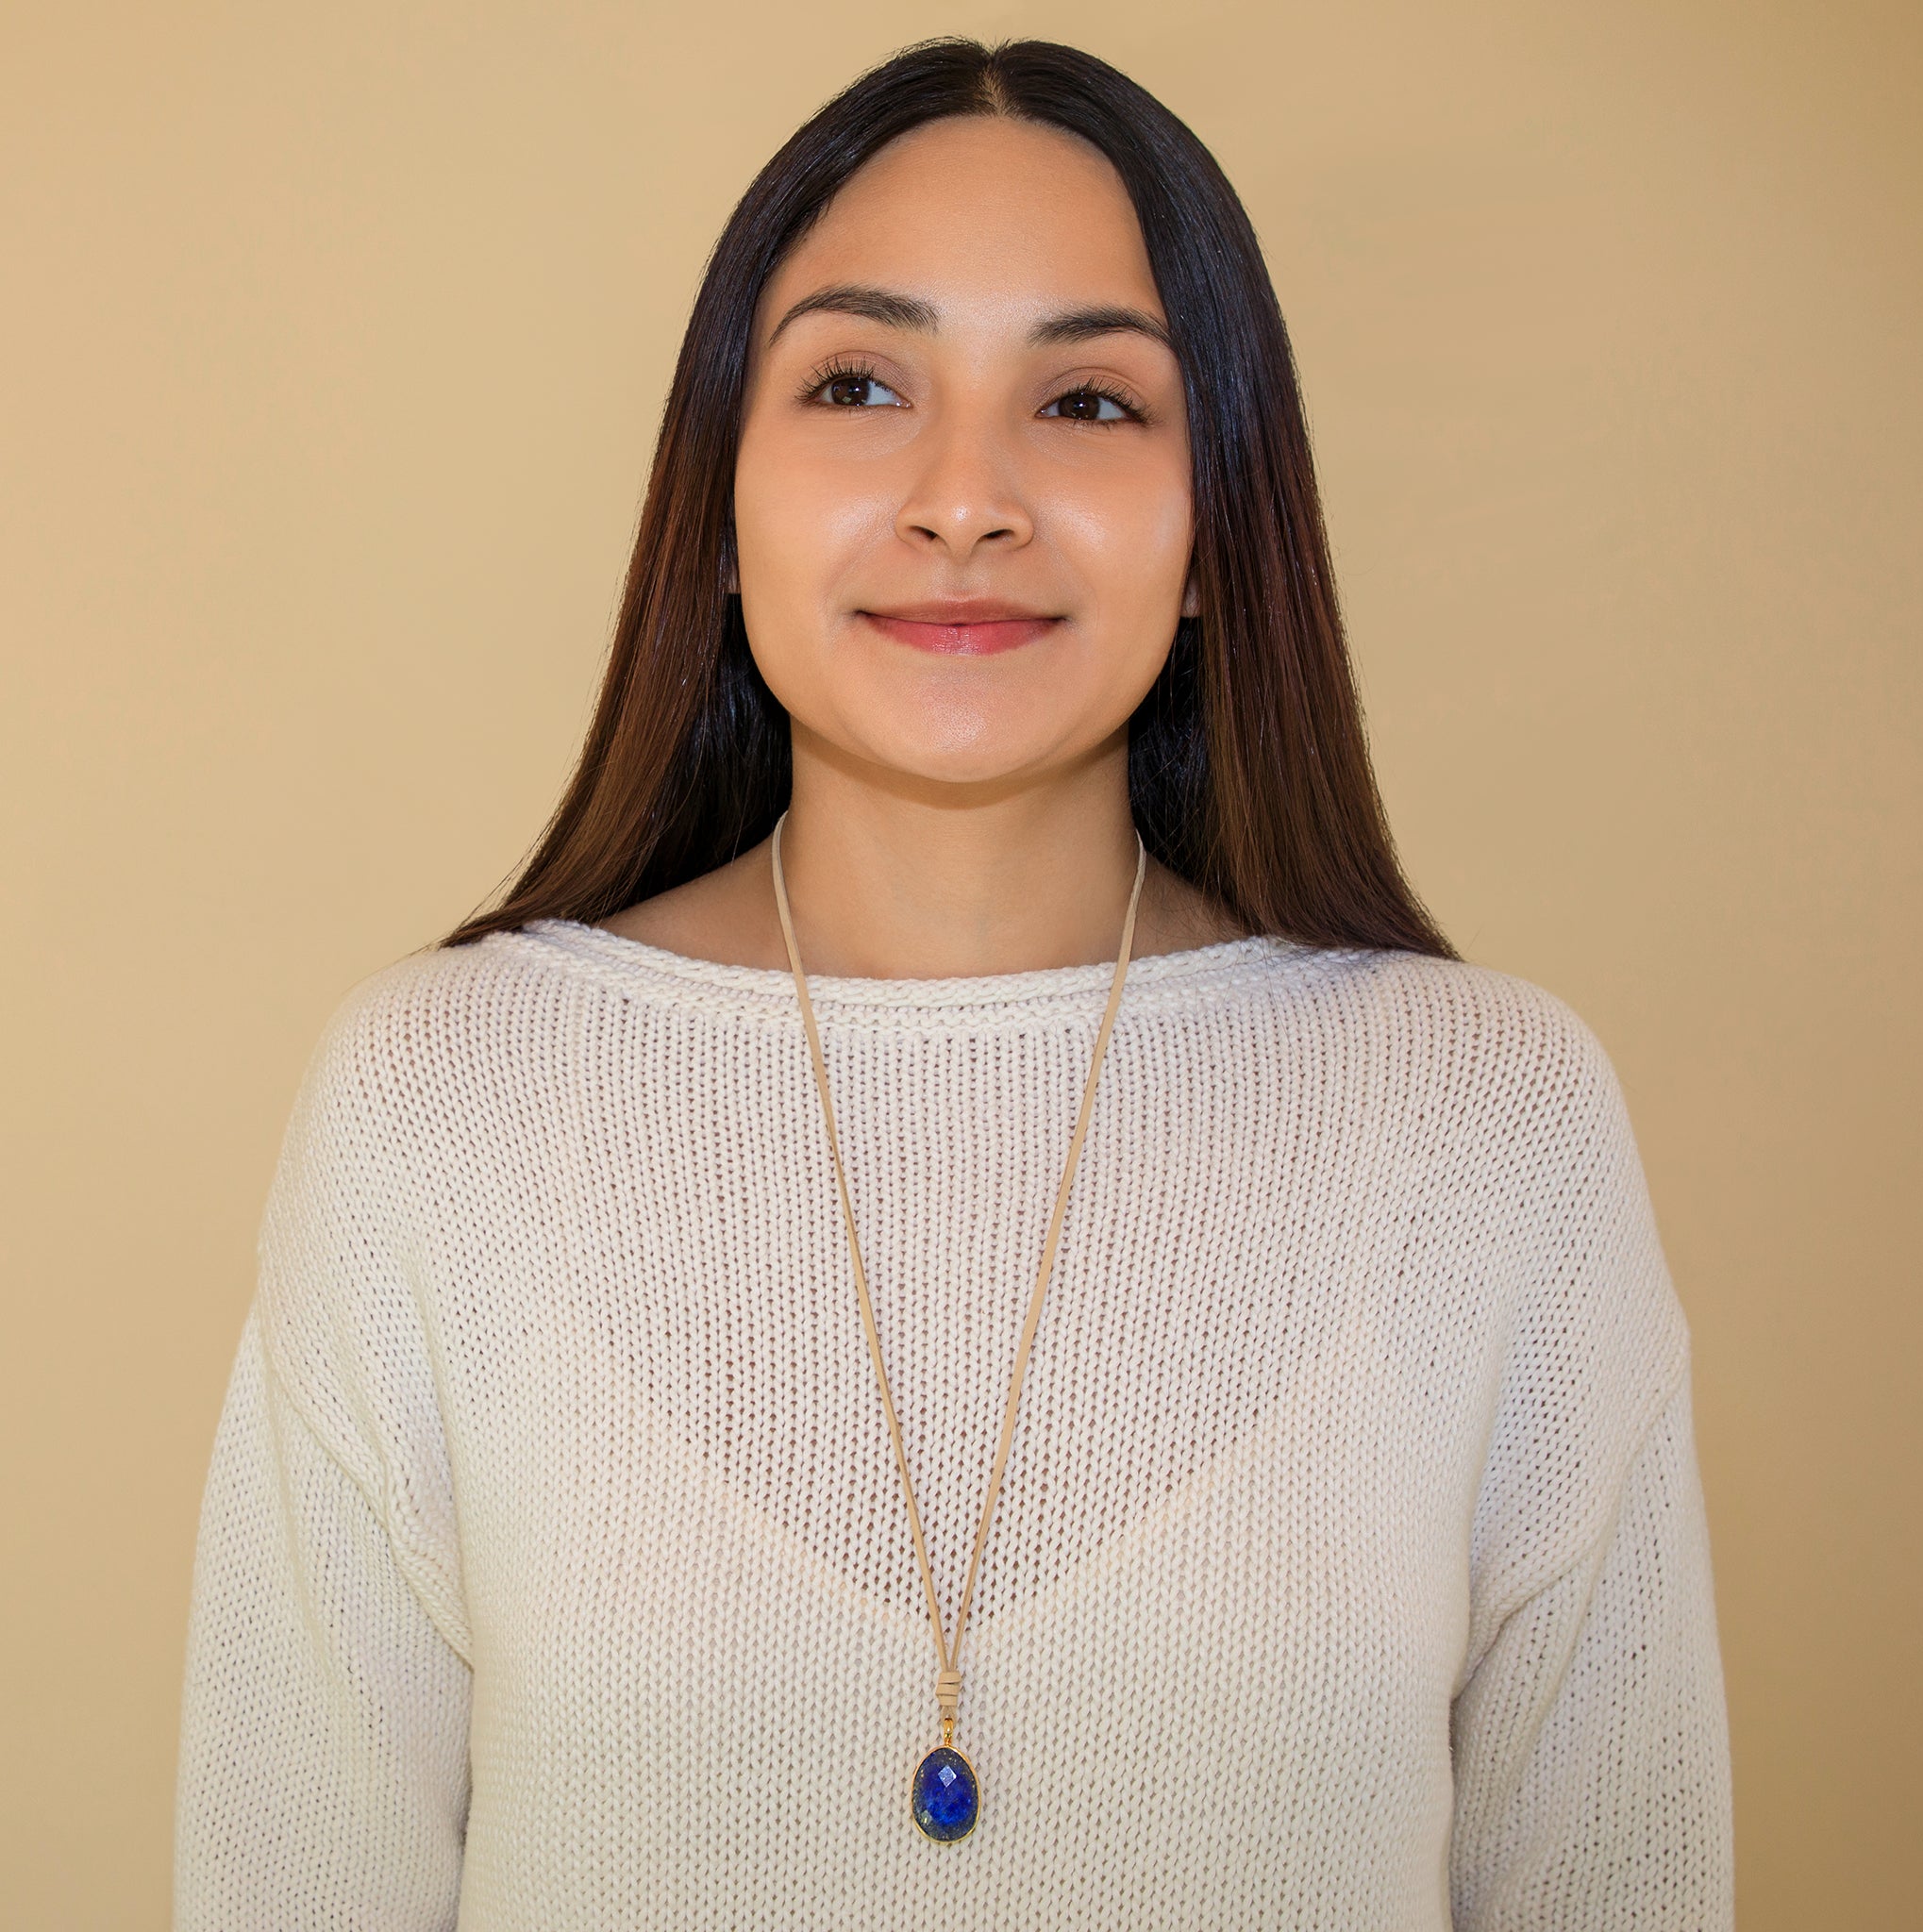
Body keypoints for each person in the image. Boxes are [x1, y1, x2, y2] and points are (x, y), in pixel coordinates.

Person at [174, 36, 1732, 1930]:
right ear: (719, 511)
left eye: (1084, 401)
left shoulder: (1492, 1126)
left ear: (1217, 531)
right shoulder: (438, 1104)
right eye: (856, 383)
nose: (965, 495)